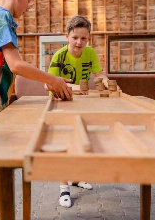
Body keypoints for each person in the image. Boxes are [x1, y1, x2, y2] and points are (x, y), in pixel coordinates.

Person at [0, 0, 72, 220]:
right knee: (1, 165)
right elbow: (15, 65)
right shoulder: (3, 18)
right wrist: (52, 79)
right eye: (28, 1)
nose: (27, 8)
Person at [47, 15, 112, 207]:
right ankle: (63, 188)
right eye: (75, 37)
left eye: (83, 38)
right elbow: (48, 84)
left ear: (88, 39)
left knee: (82, 140)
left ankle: (76, 178)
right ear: (67, 36)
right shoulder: (59, 56)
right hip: (63, 104)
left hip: (82, 103)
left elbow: (98, 73)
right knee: (64, 144)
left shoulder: (90, 53)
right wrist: (72, 88)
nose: (79, 42)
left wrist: (104, 79)